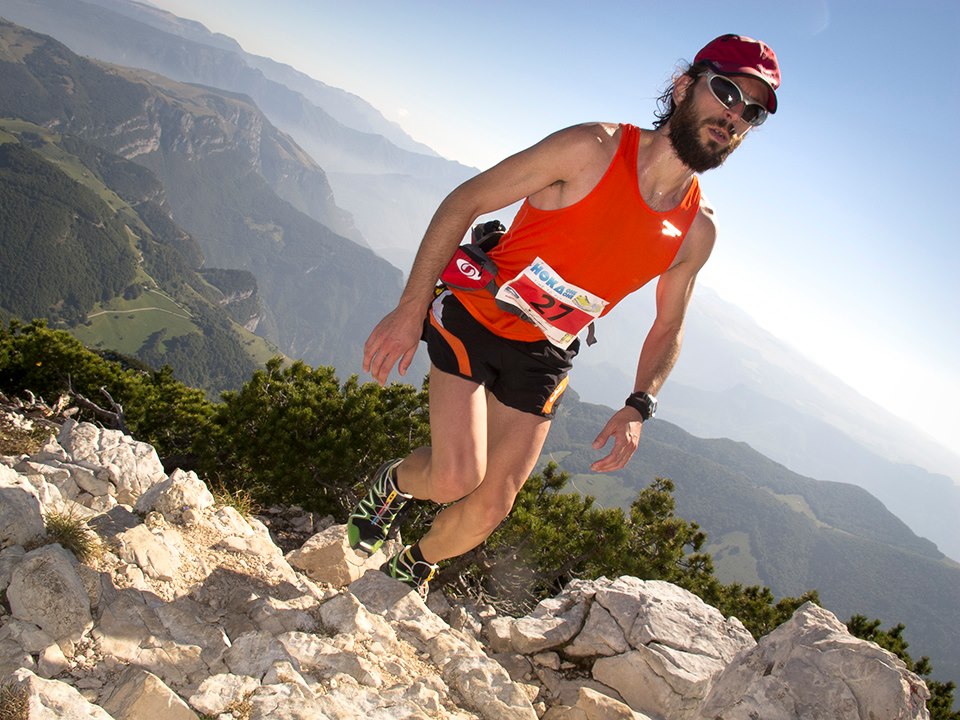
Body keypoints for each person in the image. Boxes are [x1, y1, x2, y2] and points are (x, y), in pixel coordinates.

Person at [347, 34, 781, 598]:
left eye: (752, 113)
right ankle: (392, 487)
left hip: (547, 351)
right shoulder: (592, 149)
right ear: (683, 87)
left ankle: (409, 567)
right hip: (478, 314)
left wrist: (639, 404)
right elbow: (466, 200)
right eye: (726, 92)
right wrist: (411, 308)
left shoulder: (697, 231)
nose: (734, 116)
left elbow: (668, 326)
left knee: (490, 507)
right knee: (456, 475)